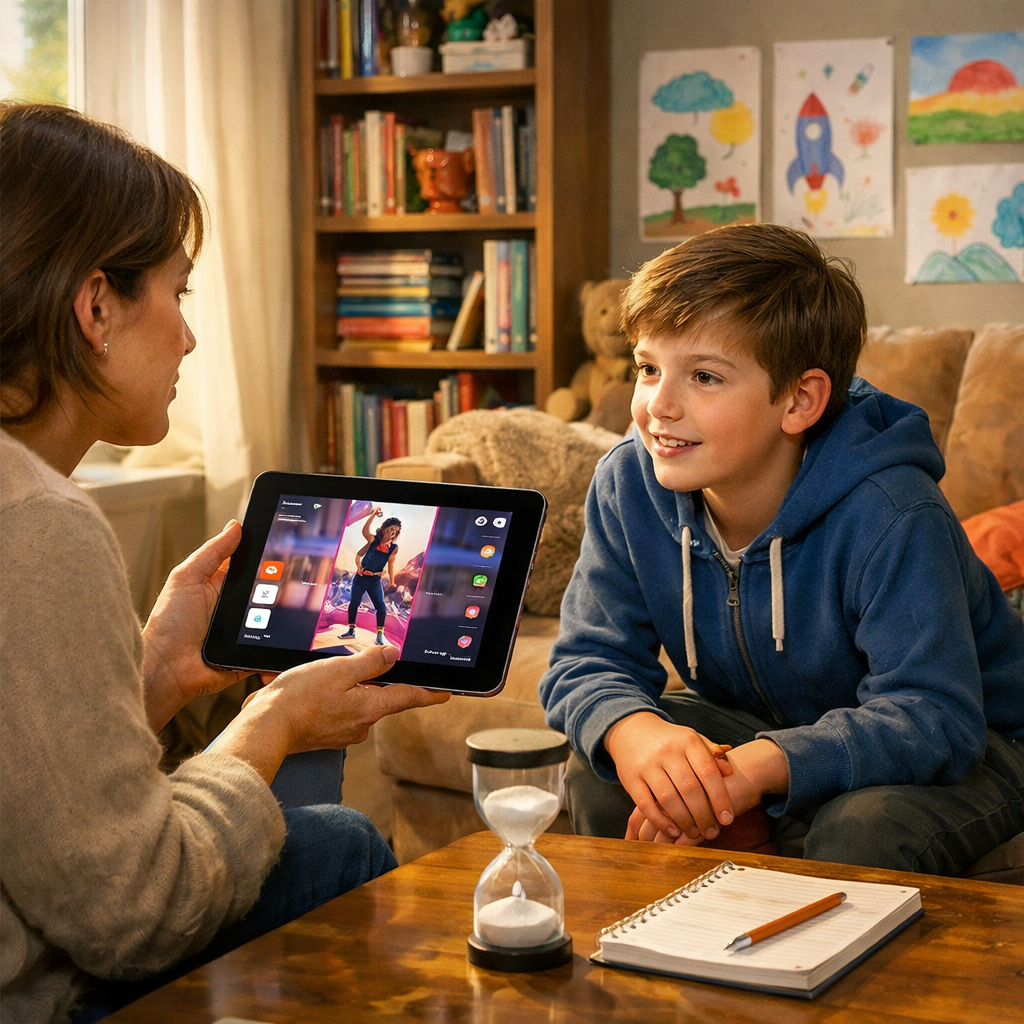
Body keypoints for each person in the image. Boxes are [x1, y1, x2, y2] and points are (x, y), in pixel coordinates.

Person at [0, 102, 449, 1024]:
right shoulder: (37, 521)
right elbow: (135, 913)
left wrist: (153, 675)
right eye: (179, 292)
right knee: (339, 843)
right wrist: (275, 718)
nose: (190, 336)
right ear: (94, 307)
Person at [539, 223, 1024, 875]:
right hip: (763, 723)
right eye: (649, 367)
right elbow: (586, 658)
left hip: (976, 739)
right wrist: (636, 734)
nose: (659, 404)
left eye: (704, 377)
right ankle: (665, 960)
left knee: (864, 830)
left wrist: (763, 767)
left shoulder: (891, 512)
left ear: (799, 400)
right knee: (614, 773)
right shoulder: (627, 483)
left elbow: (934, 714)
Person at [342, 507, 401, 646]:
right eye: (391, 528)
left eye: (396, 530)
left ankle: (379, 635)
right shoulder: (373, 540)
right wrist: (373, 515)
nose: (393, 532)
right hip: (360, 578)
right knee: (354, 604)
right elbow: (365, 531)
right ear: (385, 528)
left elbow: (391, 565)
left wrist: (392, 582)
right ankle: (351, 630)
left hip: (374, 580)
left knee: (381, 607)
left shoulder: (394, 548)